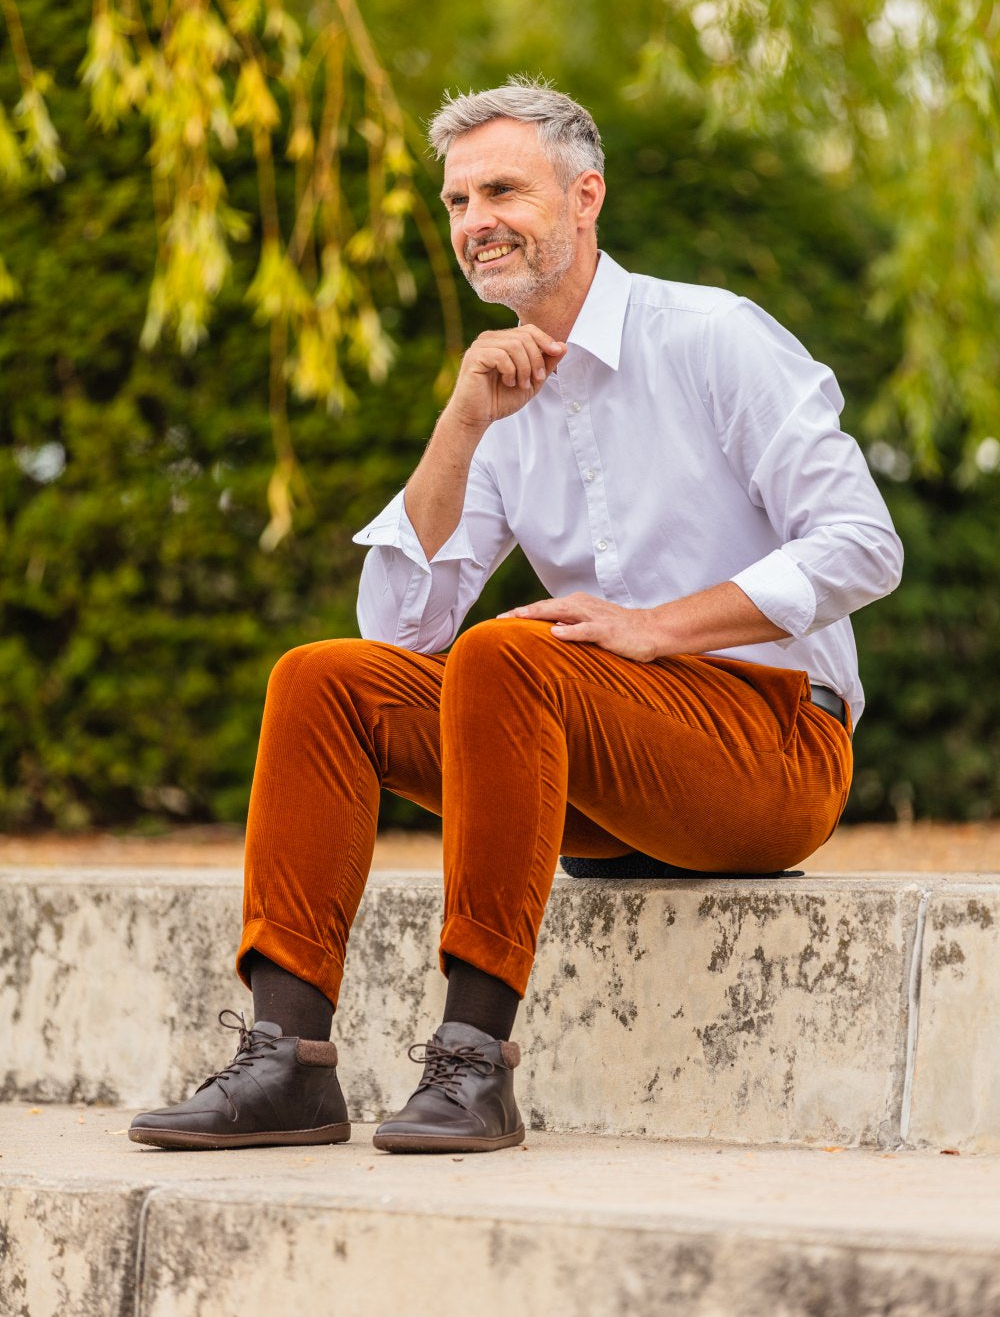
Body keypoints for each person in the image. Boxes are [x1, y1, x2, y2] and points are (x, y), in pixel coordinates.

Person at [129, 78, 903, 1155]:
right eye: (454, 201)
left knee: (512, 650)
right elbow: (397, 638)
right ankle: (288, 1064)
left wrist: (655, 626)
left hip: (772, 750)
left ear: (584, 198)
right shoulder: (497, 390)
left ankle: (471, 1066)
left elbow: (864, 545)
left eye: (501, 189)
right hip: (598, 769)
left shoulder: (715, 337)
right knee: (321, 679)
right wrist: (460, 421)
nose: (472, 221)